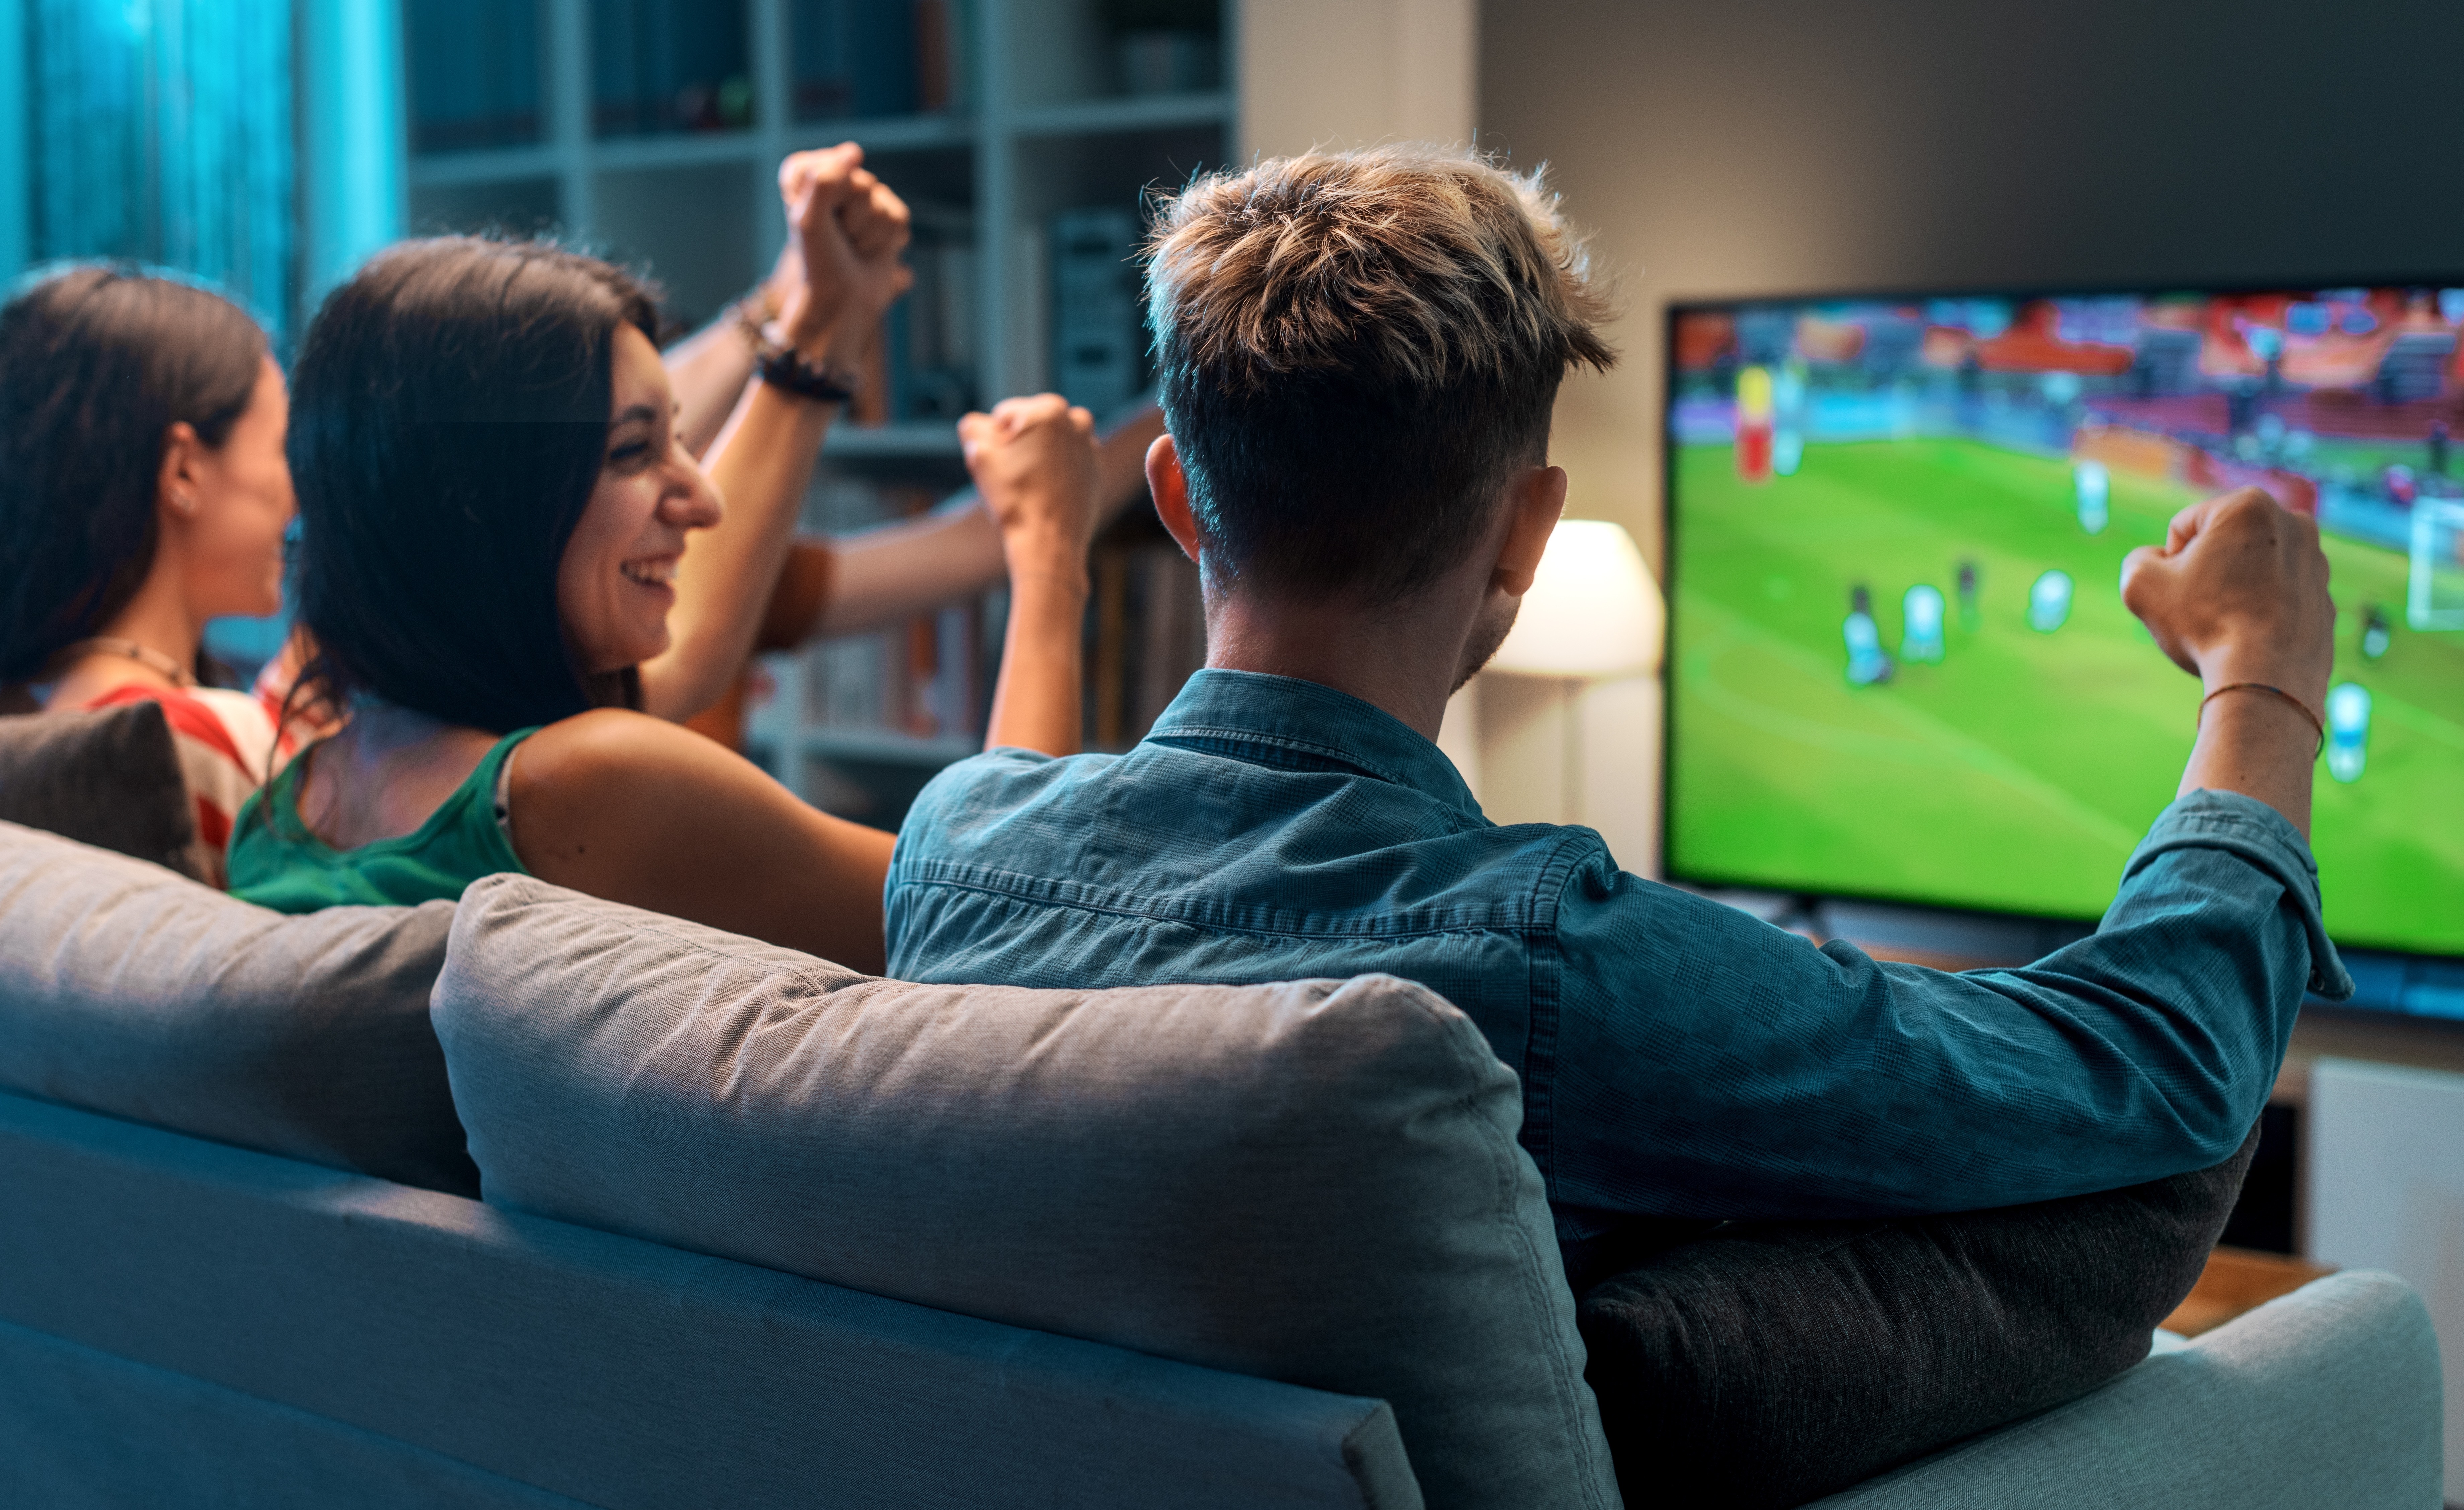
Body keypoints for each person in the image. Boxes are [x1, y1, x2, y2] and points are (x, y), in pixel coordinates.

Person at [885, 145, 2346, 1251]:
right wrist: (2263, 673)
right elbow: (2149, 1068)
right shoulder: (1548, 967)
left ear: (1175, 502)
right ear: (1527, 530)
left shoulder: (950, 849)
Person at [227, 147, 1102, 973]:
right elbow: (1006, 910)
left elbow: (694, 637)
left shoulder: (289, 808)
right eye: (634, 451)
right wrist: (1051, 560)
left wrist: (818, 328)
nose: (705, 499)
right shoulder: (584, 783)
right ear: (490, 506)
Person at [0, 268, 299, 883]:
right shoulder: (206, 740)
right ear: (184, 470)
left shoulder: (30, 723)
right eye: (281, 451)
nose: (296, 497)